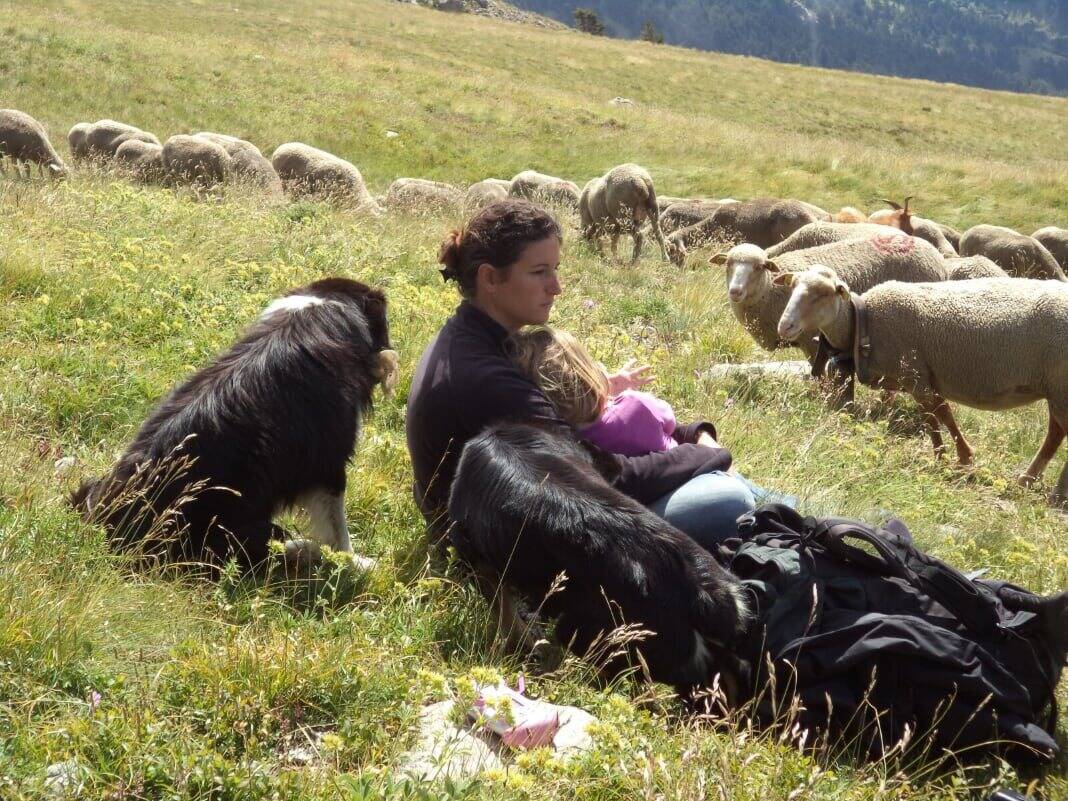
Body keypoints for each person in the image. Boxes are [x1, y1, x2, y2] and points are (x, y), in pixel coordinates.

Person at [405, 198, 761, 554]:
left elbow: (589, 428)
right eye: (539, 271)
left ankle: (800, 531)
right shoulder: (484, 377)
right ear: (490, 278)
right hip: (509, 548)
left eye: (555, 269)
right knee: (728, 500)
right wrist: (704, 453)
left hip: (528, 513)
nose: (556, 286)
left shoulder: (481, 341)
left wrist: (692, 435)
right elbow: (600, 476)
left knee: (744, 496)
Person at [507, 325, 797, 519]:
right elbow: (668, 421)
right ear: (587, 369)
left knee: (762, 500)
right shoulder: (636, 405)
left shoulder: (567, 437)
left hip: (658, 492)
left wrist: (604, 390)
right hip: (695, 475)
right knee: (763, 500)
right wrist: (622, 392)